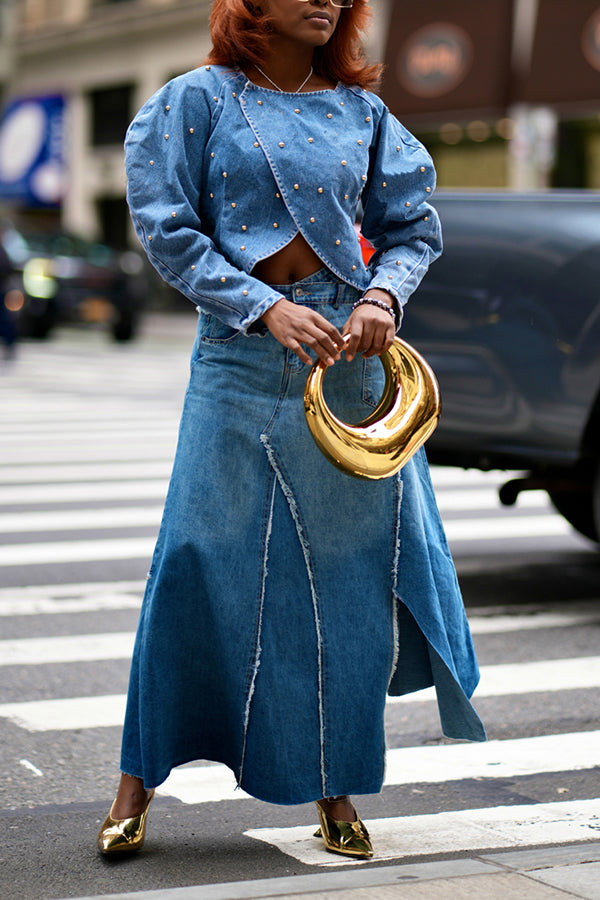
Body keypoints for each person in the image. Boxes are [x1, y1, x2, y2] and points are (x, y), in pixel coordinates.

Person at [97, 0, 485, 860]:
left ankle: (333, 787)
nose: (330, 0)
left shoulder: (363, 112)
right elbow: (167, 229)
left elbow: (412, 230)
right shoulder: (193, 100)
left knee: (340, 585)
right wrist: (261, 305)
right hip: (237, 359)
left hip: (345, 362)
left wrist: (384, 295)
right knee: (195, 562)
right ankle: (136, 781)